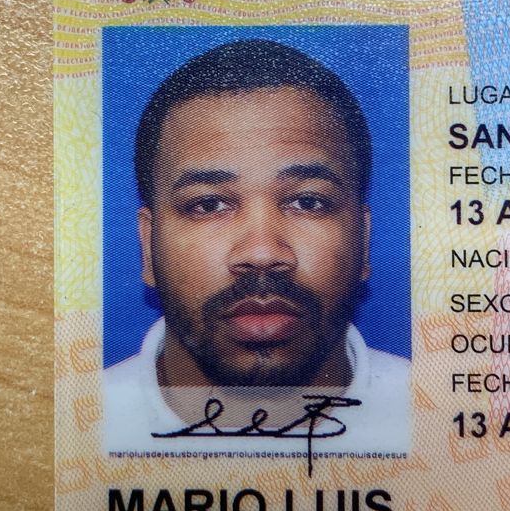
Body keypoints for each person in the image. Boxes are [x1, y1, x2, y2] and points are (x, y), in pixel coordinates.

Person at [102, 39, 411, 459]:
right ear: (147, 246)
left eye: (308, 202)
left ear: (364, 238)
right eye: (208, 205)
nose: (262, 252)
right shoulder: (73, 426)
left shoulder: (443, 421)